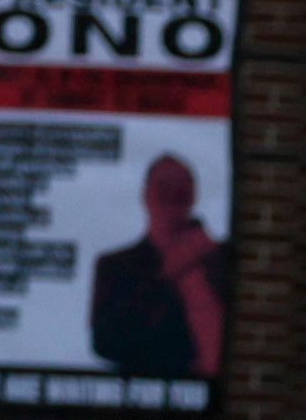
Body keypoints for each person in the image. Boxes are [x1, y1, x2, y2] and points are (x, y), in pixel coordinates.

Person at [87, 152, 229, 392]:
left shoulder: (222, 259)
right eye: (163, 187)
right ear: (145, 195)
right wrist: (169, 275)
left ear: (194, 195)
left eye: (181, 187)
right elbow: (105, 343)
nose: (172, 195)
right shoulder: (115, 266)